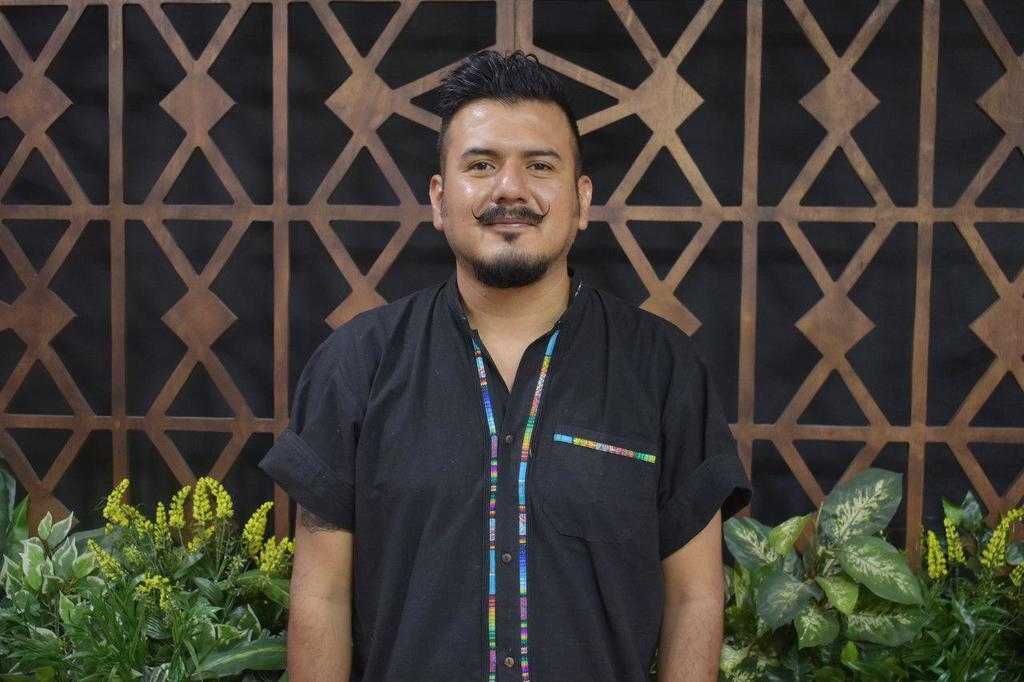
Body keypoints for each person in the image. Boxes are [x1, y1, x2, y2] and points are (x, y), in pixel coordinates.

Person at [259, 49, 751, 682]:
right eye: (481, 165)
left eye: (539, 166)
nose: (510, 189)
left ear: (582, 200)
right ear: (439, 199)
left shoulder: (663, 370)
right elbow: (321, 597)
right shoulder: (357, 366)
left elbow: (694, 599)